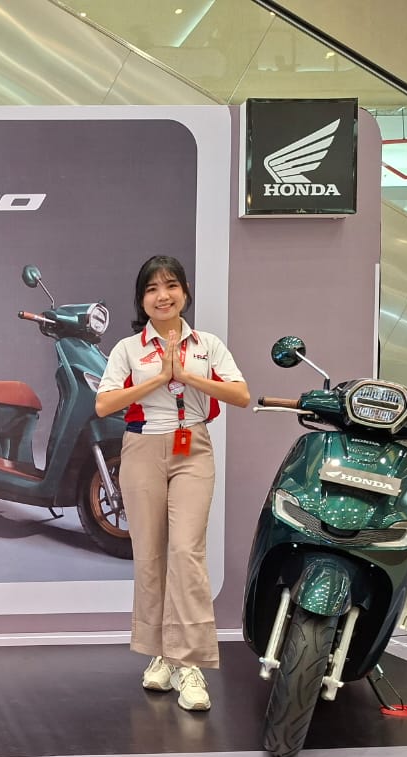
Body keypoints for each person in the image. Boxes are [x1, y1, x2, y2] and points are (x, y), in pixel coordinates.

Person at [95, 255, 249, 711]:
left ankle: (190, 665)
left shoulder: (207, 345)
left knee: (186, 552)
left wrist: (185, 374)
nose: (162, 296)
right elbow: (104, 404)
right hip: (142, 448)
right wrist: (159, 378)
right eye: (152, 289)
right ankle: (161, 655)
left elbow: (240, 394)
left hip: (191, 449)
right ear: (141, 300)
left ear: (184, 292)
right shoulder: (128, 348)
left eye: (171, 286)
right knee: (150, 557)